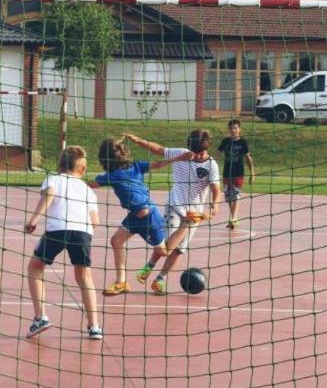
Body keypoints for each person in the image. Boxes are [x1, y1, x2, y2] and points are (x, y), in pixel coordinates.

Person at [122, 129, 221, 295]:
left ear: (207, 149)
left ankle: (160, 279)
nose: (196, 156)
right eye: (194, 152)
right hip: (175, 206)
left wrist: (215, 204)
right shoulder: (181, 154)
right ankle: (148, 267)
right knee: (165, 245)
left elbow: (216, 189)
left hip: (194, 215)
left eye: (200, 153)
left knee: (179, 250)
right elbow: (158, 149)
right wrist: (137, 139)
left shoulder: (211, 165)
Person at [91, 138, 193, 296]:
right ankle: (121, 282)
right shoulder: (112, 175)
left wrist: (178, 158)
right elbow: (90, 184)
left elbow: (159, 164)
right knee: (116, 241)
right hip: (134, 217)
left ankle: (185, 224)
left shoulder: (136, 166)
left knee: (163, 251)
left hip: (150, 217)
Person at [24, 146, 103, 340]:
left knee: (35, 267)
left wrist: (34, 219)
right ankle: (94, 327)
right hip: (82, 233)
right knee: (85, 278)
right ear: (83, 170)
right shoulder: (87, 190)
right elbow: (96, 221)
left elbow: (49, 194)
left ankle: (40, 317)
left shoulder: (53, 179)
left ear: (59, 164)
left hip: (58, 230)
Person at [217, 118, 255, 229]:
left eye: (235, 128)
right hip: (226, 173)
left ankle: (232, 218)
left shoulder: (243, 142)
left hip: (238, 173)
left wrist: (252, 173)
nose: (233, 130)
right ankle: (234, 217)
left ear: (239, 129)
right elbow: (217, 153)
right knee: (229, 197)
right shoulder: (226, 141)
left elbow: (248, 158)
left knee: (236, 195)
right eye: (231, 128)